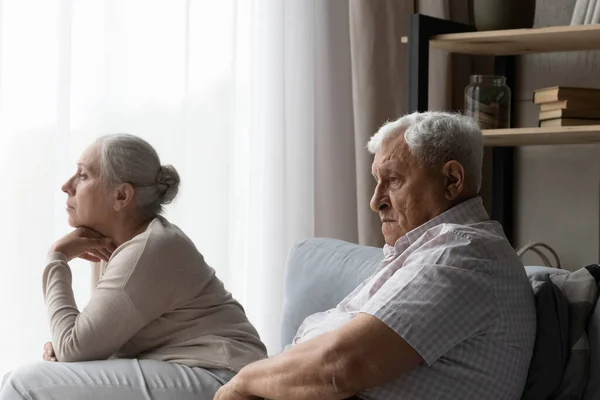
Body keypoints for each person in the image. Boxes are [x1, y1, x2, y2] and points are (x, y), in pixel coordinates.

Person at [214, 111, 537, 400]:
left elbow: (339, 366)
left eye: (393, 180)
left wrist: (242, 382)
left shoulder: (462, 256)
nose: (375, 201)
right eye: (376, 181)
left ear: (451, 181)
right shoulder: (424, 252)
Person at [0, 134, 267, 400]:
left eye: (82, 175)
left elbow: (73, 348)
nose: (66, 186)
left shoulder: (151, 248)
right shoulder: (128, 246)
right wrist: (67, 346)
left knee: (24, 385)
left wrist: (56, 258)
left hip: (222, 378)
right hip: (193, 369)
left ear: (121, 195)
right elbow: (88, 346)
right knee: (10, 380)